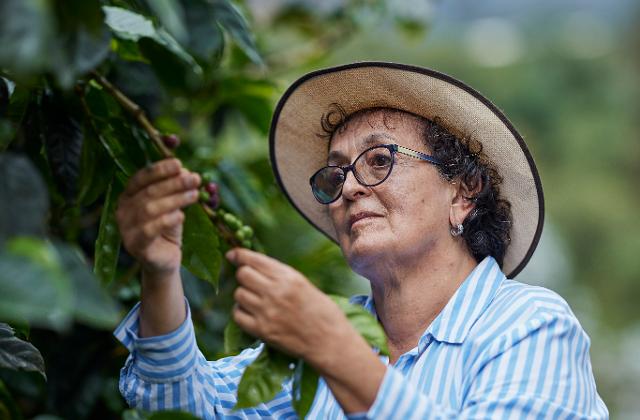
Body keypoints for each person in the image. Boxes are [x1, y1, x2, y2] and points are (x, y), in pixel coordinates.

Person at [114, 62, 608, 418]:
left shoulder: (529, 327)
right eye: (334, 176)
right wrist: (159, 273)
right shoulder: (331, 341)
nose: (347, 188)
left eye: (379, 160)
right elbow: (181, 405)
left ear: (463, 191)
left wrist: (334, 350)